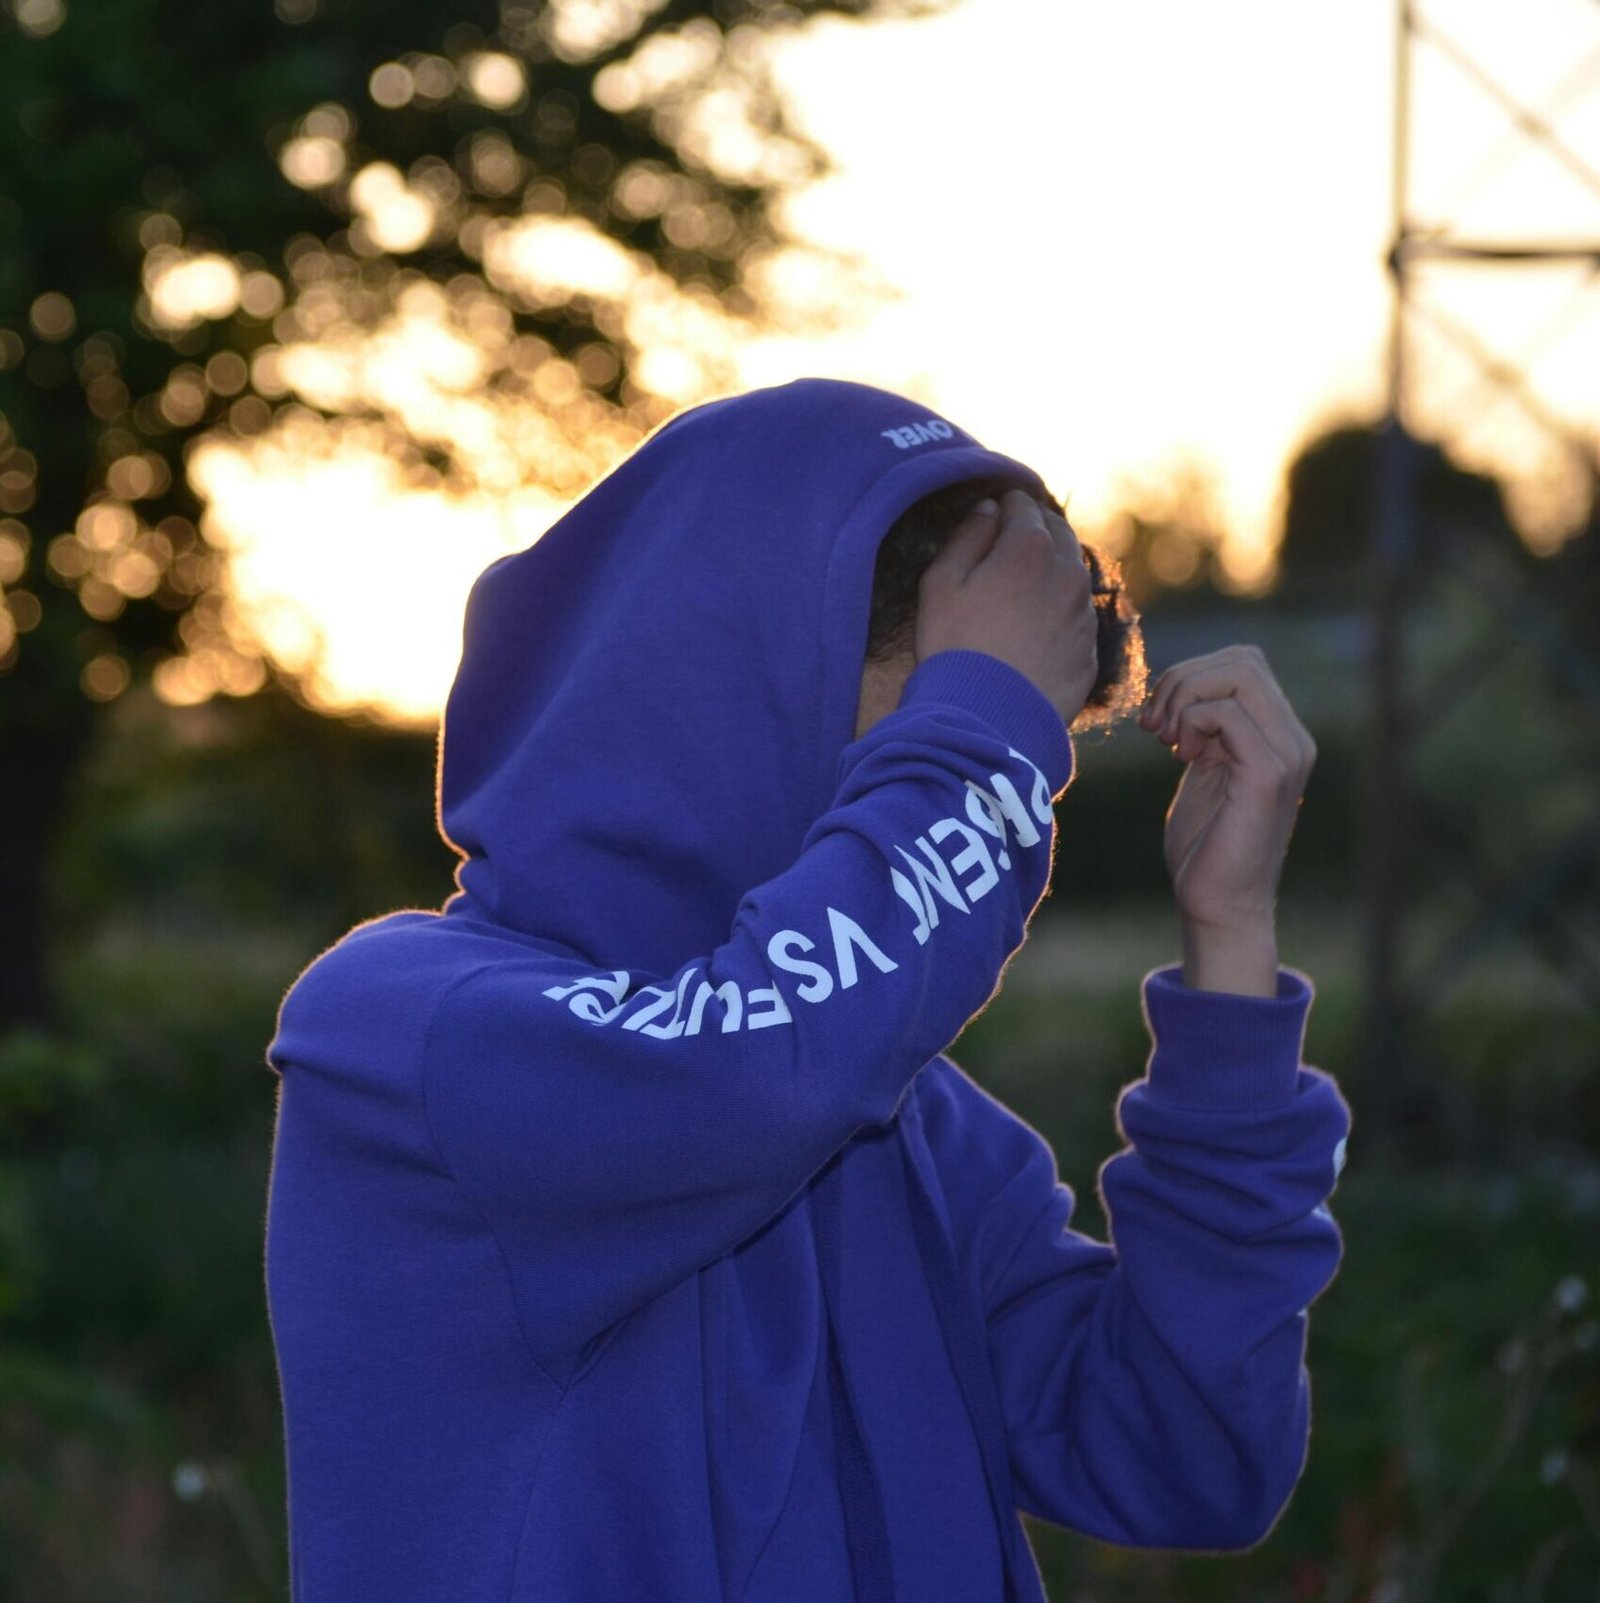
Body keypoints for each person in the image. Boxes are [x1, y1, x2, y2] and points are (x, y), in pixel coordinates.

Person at [263, 376, 1352, 1602]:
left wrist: (1230, 937)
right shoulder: (409, 1037)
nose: (956, 790)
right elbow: (744, 1074)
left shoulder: (902, 1128)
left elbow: (1187, 1461)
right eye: (926, 736)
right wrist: (984, 734)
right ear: (739, 681)